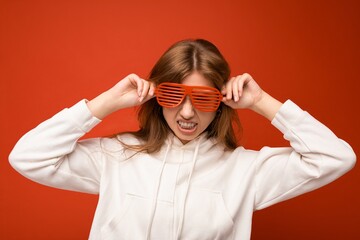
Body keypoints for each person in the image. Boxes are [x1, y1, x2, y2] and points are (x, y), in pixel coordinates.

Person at [9, 39, 356, 240]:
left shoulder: (246, 171)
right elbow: (26, 157)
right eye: (173, 95)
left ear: (221, 103)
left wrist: (262, 102)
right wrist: (105, 103)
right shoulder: (116, 156)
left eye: (203, 99)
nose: (187, 113)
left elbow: (336, 158)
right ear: (157, 97)